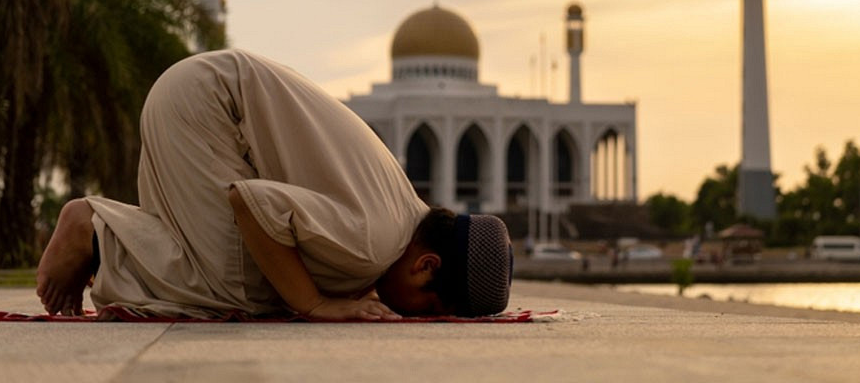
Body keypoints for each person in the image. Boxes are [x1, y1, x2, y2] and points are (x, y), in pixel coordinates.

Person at [36, 49, 513, 320]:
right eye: (428, 307)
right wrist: (316, 304)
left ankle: (108, 238)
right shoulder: (374, 244)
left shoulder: (399, 218)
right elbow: (253, 201)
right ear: (426, 265)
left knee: (256, 273)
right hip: (205, 108)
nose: (414, 318)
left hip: (203, 100)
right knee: (246, 293)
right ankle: (93, 232)